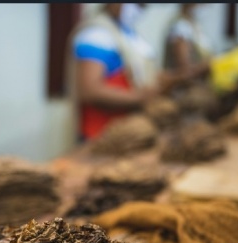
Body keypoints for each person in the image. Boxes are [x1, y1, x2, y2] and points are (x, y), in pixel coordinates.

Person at [67, 3, 181, 141]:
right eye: (137, 4)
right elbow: (90, 90)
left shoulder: (128, 33)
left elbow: (139, 74)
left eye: (143, 6)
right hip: (102, 134)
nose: (140, 9)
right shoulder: (97, 34)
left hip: (131, 130)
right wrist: (142, 97)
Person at [162, 3, 213, 83]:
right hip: (182, 90)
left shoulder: (195, 25)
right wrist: (211, 64)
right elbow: (185, 71)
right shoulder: (180, 27)